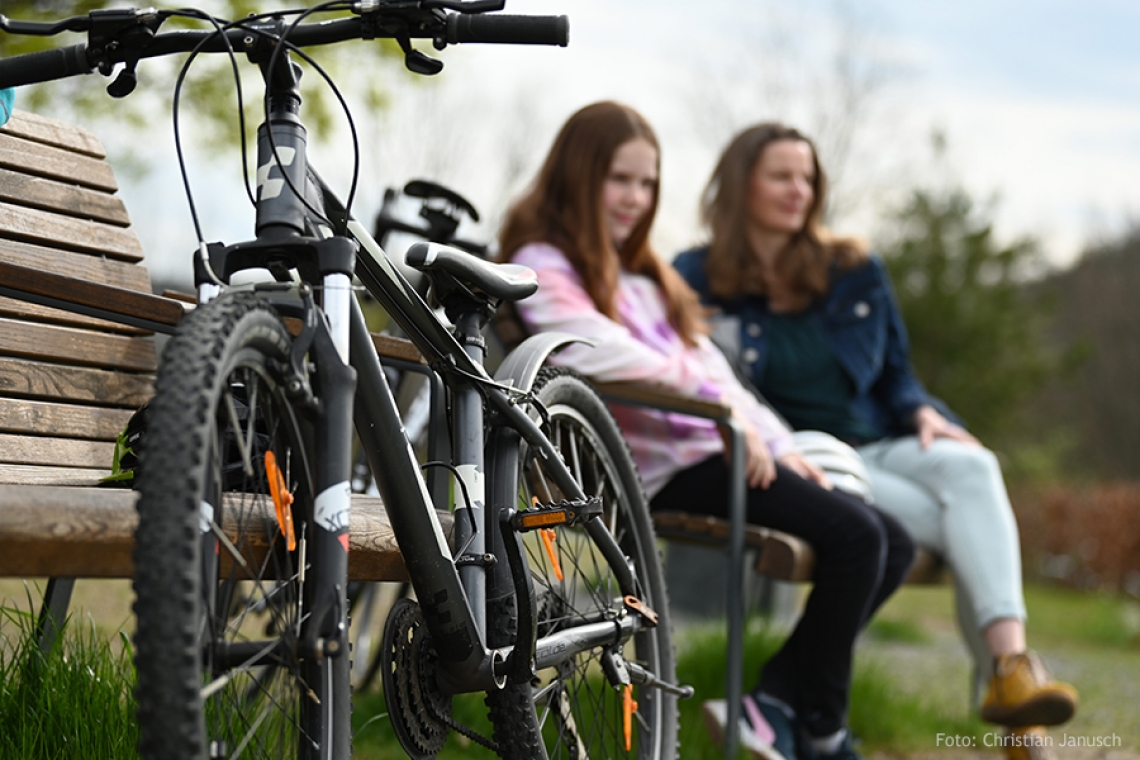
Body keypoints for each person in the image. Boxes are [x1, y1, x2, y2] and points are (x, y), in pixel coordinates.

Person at [498, 101, 915, 760]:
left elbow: (716, 369)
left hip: (714, 447)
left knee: (891, 538)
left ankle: (774, 697)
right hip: (656, 469)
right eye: (619, 179)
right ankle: (823, 734)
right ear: (579, 176)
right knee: (860, 537)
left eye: (647, 183)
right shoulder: (544, 262)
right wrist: (721, 413)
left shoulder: (640, 277)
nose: (636, 198)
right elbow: (588, 349)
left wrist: (776, 442)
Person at [673, 122, 1078, 758]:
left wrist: (922, 411)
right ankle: (1016, 718)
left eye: (808, 178)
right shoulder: (694, 276)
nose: (798, 190)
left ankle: (1011, 671)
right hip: (801, 452)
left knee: (973, 467)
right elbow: (693, 374)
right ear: (739, 183)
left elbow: (896, 376)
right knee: (952, 523)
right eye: (781, 176)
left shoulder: (853, 269)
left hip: (879, 441)